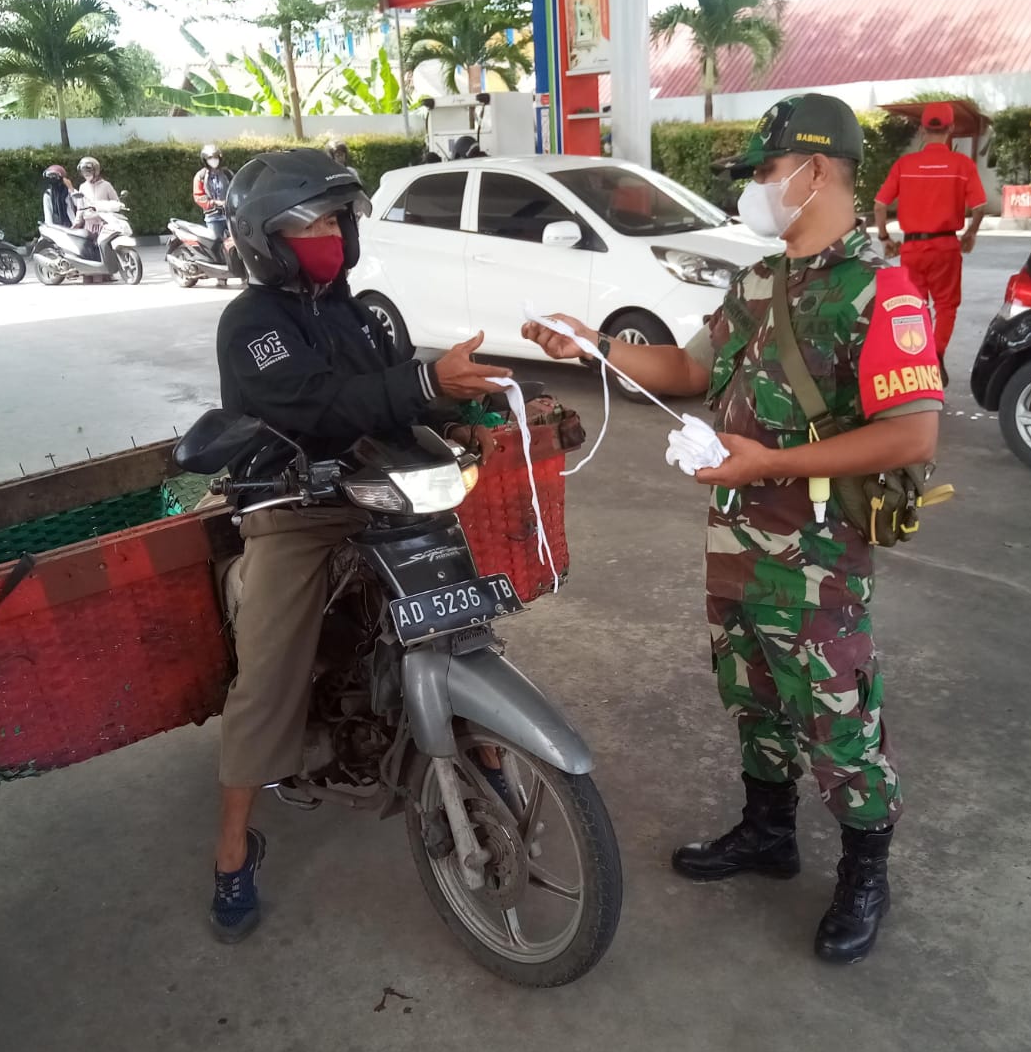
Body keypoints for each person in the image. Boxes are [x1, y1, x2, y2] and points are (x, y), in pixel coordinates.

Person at [523, 94, 943, 965]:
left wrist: (767, 465)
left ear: (815, 171)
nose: (757, 189)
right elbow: (684, 367)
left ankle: (867, 869)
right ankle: (768, 833)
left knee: (836, 716)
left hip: (820, 550)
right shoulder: (760, 280)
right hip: (736, 539)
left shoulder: (880, 287)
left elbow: (913, 433)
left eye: (764, 172)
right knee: (751, 691)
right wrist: (591, 346)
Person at [208, 149, 511, 942]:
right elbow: (320, 406)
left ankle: (482, 744)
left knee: (462, 609)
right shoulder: (252, 325)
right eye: (310, 224)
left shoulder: (360, 311)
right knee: (267, 676)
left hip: (381, 491)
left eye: (338, 221)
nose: (330, 236)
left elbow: (391, 391)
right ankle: (233, 848)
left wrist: (463, 410)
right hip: (295, 505)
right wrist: (421, 388)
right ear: (265, 239)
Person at [872, 102, 987, 384]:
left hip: (912, 249)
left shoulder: (905, 165)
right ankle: (936, 353)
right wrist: (971, 233)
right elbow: (980, 206)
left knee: (916, 306)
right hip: (946, 247)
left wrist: (886, 238)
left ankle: (918, 359)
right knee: (946, 306)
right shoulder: (963, 165)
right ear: (950, 130)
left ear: (923, 130)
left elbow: (878, 205)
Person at [192, 143, 240, 288]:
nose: (214, 160)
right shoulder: (200, 176)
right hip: (213, 215)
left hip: (229, 213)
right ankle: (220, 276)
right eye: (210, 158)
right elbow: (198, 196)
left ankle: (240, 271)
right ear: (204, 160)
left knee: (238, 241)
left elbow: (236, 189)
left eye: (216, 157)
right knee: (216, 245)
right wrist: (213, 203)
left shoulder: (227, 174)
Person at [76, 156, 121, 281]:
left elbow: (115, 201)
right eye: (84, 172)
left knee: (105, 248)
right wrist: (77, 222)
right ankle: (88, 274)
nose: (87, 174)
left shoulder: (106, 185)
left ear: (96, 171)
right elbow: (80, 207)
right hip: (89, 223)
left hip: (103, 222)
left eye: (89, 171)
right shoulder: (82, 187)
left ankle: (107, 273)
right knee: (88, 249)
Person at [40, 164, 79, 228]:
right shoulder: (48, 194)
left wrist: (71, 188)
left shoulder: (69, 191)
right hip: (56, 228)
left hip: (72, 226)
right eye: (51, 177)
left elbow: (79, 203)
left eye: (55, 177)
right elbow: (48, 216)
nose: (53, 180)